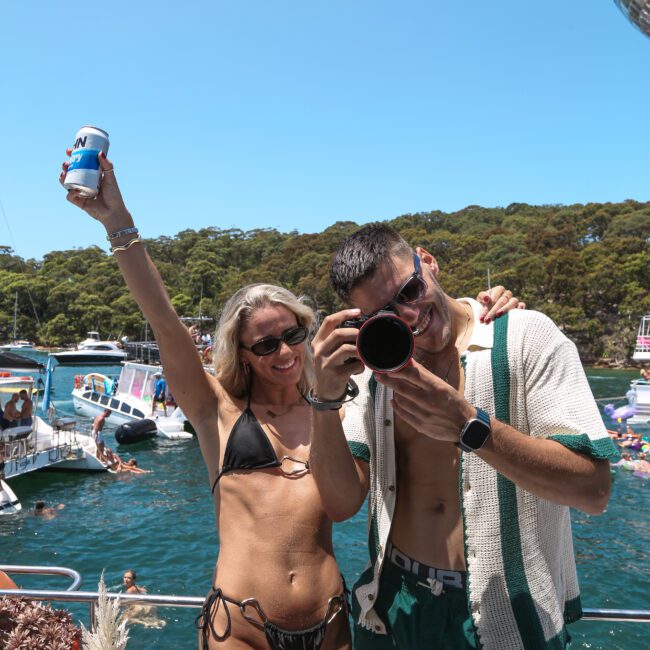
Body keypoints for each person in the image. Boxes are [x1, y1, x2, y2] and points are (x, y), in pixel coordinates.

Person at [60, 153, 521, 650]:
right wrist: (118, 222)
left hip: (332, 626)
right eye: (264, 344)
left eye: (292, 334)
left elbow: (423, 349)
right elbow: (163, 318)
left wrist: (477, 309)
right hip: (241, 628)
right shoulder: (217, 411)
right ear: (241, 353)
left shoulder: (342, 406)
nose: (283, 351)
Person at [309, 223, 618, 649]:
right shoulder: (375, 375)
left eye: (410, 290)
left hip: (507, 614)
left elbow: (594, 490)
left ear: (429, 262)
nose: (409, 315)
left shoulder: (526, 337)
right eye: (385, 314)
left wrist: (472, 429)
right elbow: (341, 503)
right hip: (394, 607)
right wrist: (323, 399)